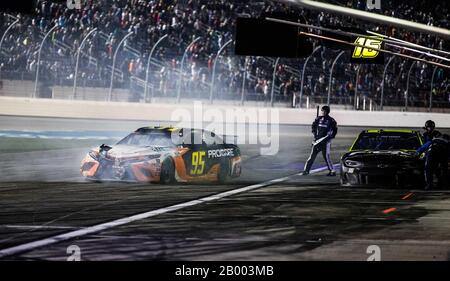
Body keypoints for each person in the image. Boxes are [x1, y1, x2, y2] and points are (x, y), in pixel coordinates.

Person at [302, 105, 338, 176]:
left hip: (326, 142)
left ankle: (332, 171)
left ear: (327, 112)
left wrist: (331, 136)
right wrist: (315, 135)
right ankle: (306, 171)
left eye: (324, 111)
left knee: (327, 157)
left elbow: (335, 130)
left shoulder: (331, 120)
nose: (322, 112)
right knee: (311, 157)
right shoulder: (318, 118)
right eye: (322, 111)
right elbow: (313, 126)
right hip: (317, 141)